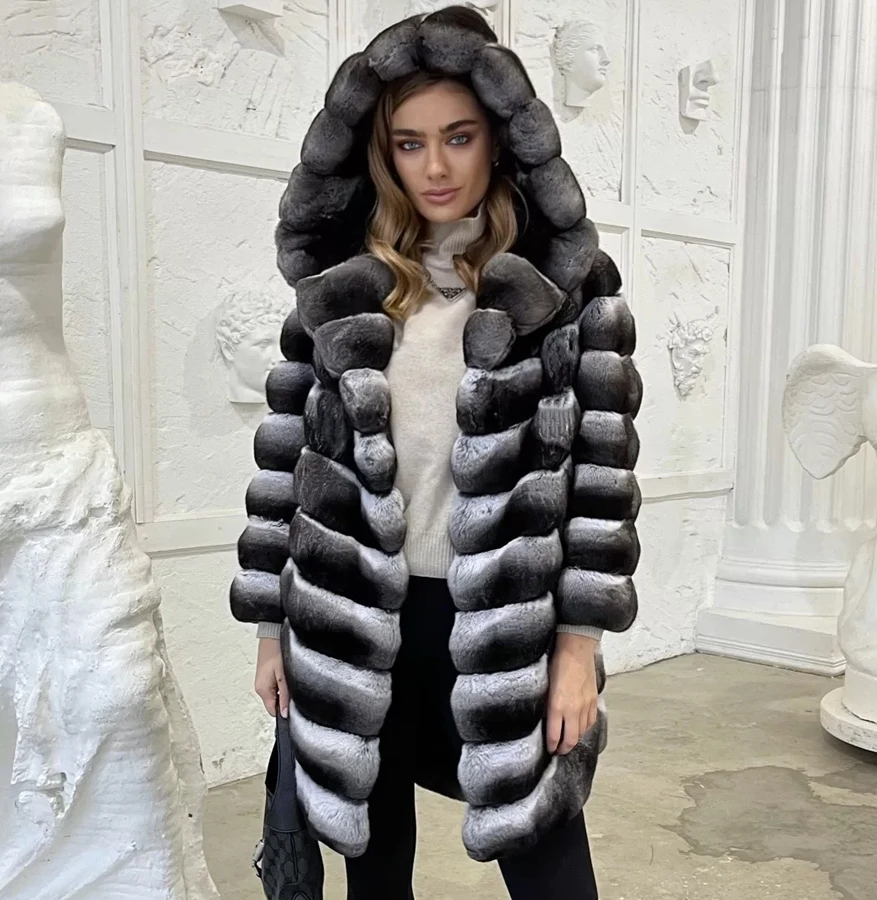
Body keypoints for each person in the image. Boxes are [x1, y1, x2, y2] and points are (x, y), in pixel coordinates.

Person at [231, 7, 641, 899]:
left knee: (552, 871)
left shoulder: (571, 295)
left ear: (498, 139)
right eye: (410, 144)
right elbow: (283, 474)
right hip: (351, 622)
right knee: (375, 875)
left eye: (458, 137)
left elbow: (601, 494)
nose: (437, 167)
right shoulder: (338, 297)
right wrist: (273, 635)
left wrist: (577, 654)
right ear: (384, 155)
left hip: (503, 625)